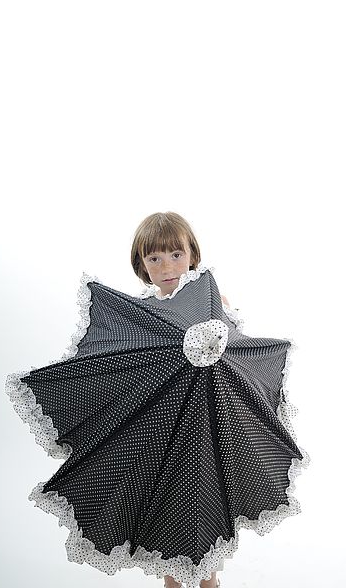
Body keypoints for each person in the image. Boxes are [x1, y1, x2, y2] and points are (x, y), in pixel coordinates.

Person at [130, 211, 227, 588]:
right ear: (142, 264)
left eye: (175, 254)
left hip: (204, 426)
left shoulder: (208, 299)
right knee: (165, 509)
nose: (166, 266)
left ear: (192, 255)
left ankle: (208, 580)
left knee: (204, 508)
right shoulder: (143, 312)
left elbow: (228, 355)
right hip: (160, 428)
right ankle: (171, 580)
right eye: (154, 258)